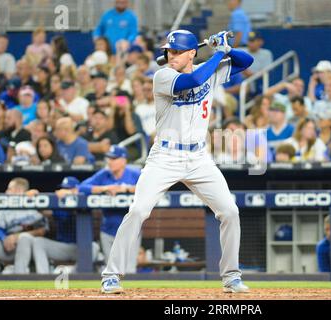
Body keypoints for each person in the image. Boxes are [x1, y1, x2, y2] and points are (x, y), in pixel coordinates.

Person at [100, 30, 253, 294]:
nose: (171, 55)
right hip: (165, 156)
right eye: (169, 51)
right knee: (138, 211)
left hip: (198, 157)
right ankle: (111, 275)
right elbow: (193, 80)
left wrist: (227, 49)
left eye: (178, 51)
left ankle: (231, 277)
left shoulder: (211, 68)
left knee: (229, 211)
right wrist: (217, 54)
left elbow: (246, 61)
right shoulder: (163, 76)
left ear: (192, 52)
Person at [77, 145, 140, 272]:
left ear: (123, 161)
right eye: (109, 158)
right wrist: (104, 188)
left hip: (131, 229)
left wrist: (127, 189)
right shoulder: (104, 175)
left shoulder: (133, 173)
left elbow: (150, 187)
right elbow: (81, 187)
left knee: (130, 270)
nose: (110, 162)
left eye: (114, 158)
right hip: (108, 230)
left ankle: (132, 293)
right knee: (112, 269)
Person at [32, 177, 100, 274]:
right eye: (63, 188)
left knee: (94, 247)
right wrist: (35, 197)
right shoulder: (59, 204)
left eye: (68, 189)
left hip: (80, 248)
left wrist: (73, 194)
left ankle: (75, 273)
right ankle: (44, 278)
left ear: (76, 189)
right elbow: (45, 211)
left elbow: (94, 192)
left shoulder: (85, 199)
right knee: (38, 242)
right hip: (62, 247)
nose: (64, 191)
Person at [0, 178, 46, 274]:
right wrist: (4, 238)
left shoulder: (32, 203)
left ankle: (20, 275)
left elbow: (42, 231)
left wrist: (16, 236)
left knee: (24, 237)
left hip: (27, 249)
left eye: (9, 189)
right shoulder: (5, 208)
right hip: (7, 246)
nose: (6, 192)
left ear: (18, 190)